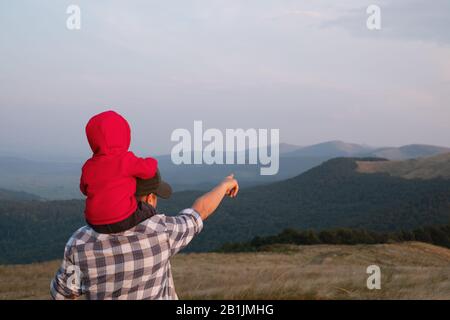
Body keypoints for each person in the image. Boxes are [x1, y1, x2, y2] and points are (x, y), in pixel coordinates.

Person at [50, 171, 239, 300]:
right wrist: (224, 186)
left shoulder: (80, 242)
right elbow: (200, 211)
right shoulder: (162, 232)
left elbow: (63, 295)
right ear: (150, 198)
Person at [80, 110, 158, 233]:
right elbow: (149, 170)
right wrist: (152, 160)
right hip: (124, 220)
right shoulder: (125, 159)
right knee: (149, 210)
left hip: (94, 223)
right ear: (124, 135)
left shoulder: (88, 166)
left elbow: (84, 190)